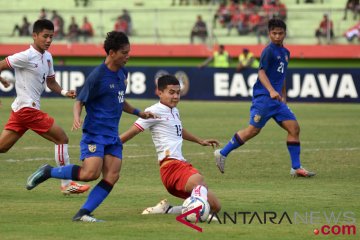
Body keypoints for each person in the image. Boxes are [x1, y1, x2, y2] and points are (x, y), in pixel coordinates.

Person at [26, 31, 156, 222]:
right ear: (112, 53)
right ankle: (48, 171)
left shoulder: (122, 72)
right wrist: (77, 117)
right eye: (124, 52)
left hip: (112, 135)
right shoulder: (97, 77)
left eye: (129, 52)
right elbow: (79, 101)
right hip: (95, 133)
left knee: (112, 175)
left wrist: (139, 112)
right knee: (90, 174)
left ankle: (83, 213)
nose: (128, 56)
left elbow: (118, 99)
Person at [214, 18, 316, 178]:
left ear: (285, 34)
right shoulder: (268, 51)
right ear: (269, 34)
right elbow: (261, 72)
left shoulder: (286, 52)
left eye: (280, 33)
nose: (277, 36)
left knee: (294, 129)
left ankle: (296, 167)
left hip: (277, 101)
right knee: (253, 130)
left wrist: (283, 95)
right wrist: (270, 91)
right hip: (264, 98)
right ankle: (222, 153)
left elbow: (282, 75)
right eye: (274, 33)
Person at [0, 19, 90, 194]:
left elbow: (51, 82)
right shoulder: (25, 56)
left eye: (51, 37)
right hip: (28, 109)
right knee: (62, 138)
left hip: (20, 111)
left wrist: (64, 92)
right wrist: (2, 78)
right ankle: (67, 184)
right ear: (34, 36)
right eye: (45, 36)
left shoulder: (47, 57)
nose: (48, 40)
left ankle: (66, 183)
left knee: (2, 147)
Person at [120, 74, 221, 216]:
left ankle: (168, 210)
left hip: (180, 165)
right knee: (199, 180)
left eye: (178, 93)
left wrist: (199, 140)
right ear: (160, 92)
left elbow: (178, 130)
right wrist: (110, 146)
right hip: (171, 167)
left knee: (215, 206)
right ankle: (197, 216)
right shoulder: (154, 110)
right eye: (171, 92)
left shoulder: (174, 111)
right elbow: (133, 131)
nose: (175, 96)